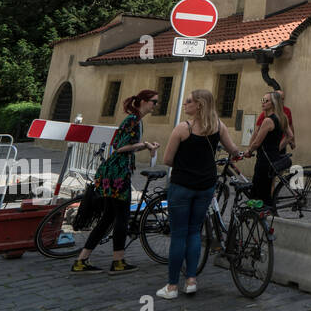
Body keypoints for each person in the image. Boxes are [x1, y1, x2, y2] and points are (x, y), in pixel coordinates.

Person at [156, 89, 244, 299]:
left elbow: (167, 160)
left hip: (182, 186)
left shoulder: (182, 129)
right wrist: (238, 153)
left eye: (189, 102)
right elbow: (233, 149)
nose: (185, 104)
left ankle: (171, 287)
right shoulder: (218, 126)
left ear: (199, 105)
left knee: (178, 234)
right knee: (195, 233)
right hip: (205, 186)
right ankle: (191, 280)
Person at [71, 90, 160, 275]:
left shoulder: (134, 119)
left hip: (113, 173)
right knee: (121, 217)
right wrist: (145, 145)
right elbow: (120, 147)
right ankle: (118, 262)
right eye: (154, 102)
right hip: (118, 175)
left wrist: (144, 144)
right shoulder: (133, 120)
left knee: (108, 218)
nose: (156, 105)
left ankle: (82, 260)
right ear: (143, 101)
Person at [248, 90, 288, 213]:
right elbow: (289, 136)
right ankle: (269, 214)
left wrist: (248, 152)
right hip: (274, 157)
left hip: (264, 161)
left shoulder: (268, 121)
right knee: (266, 190)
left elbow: (257, 142)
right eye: (262, 100)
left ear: (273, 103)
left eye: (266, 101)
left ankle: (263, 218)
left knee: (259, 191)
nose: (263, 102)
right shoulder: (282, 118)